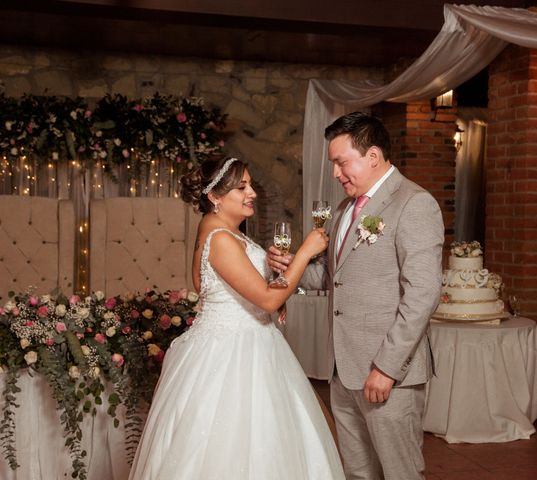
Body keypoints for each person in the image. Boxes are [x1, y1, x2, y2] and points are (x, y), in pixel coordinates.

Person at [128, 156, 345, 479]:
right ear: (214, 197)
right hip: (233, 355)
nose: (252, 192)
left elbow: (244, 291)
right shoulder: (221, 239)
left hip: (248, 342)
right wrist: (306, 252)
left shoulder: (226, 232)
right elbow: (268, 300)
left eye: (250, 184)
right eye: (241, 187)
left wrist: (270, 270)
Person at [268, 112, 444, 479]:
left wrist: (386, 368)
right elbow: (332, 278)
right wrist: (291, 268)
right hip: (343, 371)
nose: (336, 173)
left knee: (400, 473)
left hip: (387, 374)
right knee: (358, 473)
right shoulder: (345, 210)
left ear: (373, 156)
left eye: (341, 162)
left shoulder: (414, 204)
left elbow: (422, 295)